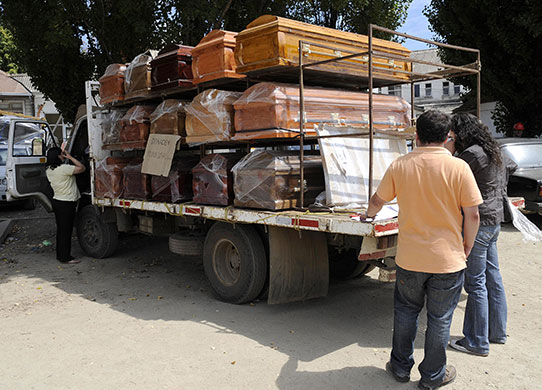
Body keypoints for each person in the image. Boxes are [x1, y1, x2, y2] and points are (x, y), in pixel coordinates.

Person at [363, 110, 483, 389]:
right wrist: (467, 245)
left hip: (410, 258)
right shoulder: (458, 167)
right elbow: (473, 214)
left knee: (406, 311)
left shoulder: (400, 165)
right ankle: (432, 376)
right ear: (446, 138)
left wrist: (368, 216)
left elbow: (377, 200)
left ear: (416, 136)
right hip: (448, 259)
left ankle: (400, 368)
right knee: (440, 319)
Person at [445, 113, 517, 357]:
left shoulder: (471, 155)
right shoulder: (495, 150)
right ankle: (496, 332)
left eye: (453, 134)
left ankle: (476, 341)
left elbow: (450, 177)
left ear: (461, 133)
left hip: (478, 222)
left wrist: (448, 149)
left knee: (475, 283)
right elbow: (512, 166)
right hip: (495, 220)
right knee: (492, 277)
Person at [45, 147, 86, 264]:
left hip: (58, 201)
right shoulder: (64, 169)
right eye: (62, 155)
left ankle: (61, 255)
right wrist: (70, 157)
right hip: (67, 203)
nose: (63, 156)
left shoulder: (48, 170)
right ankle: (65, 257)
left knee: (61, 230)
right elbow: (82, 168)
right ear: (58, 156)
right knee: (66, 231)